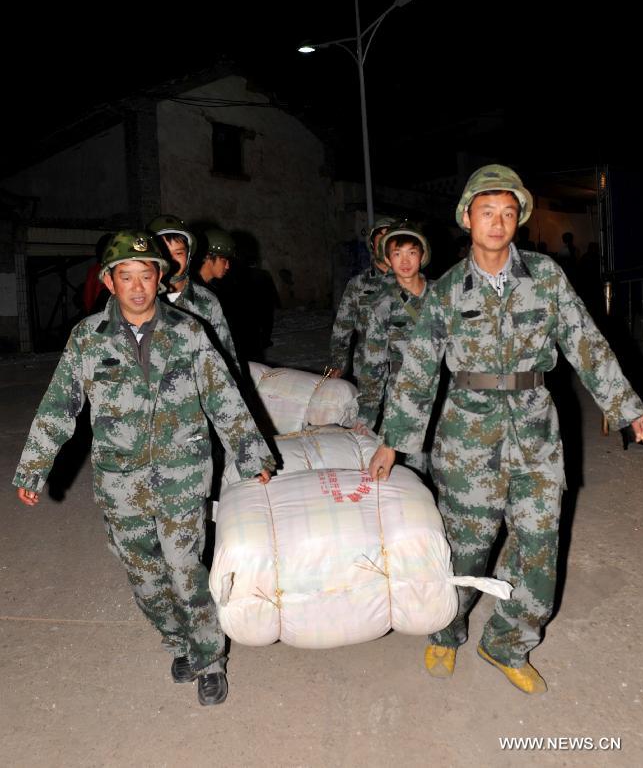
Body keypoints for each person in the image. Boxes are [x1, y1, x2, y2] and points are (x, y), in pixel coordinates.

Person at [369, 165, 643, 694]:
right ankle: (446, 629)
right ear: (467, 219)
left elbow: (584, 341)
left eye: (507, 212)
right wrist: (394, 440)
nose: (497, 223)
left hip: (536, 431)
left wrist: (627, 403)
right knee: (467, 547)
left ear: (518, 219)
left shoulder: (544, 276)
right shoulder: (449, 290)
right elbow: (419, 370)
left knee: (539, 544)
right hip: (467, 439)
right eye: (486, 212)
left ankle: (507, 641)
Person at [13, 230, 273, 706]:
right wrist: (33, 467)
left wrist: (250, 453)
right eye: (125, 276)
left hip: (182, 473)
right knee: (144, 575)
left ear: (160, 278)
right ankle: (176, 642)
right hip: (120, 480)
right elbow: (58, 406)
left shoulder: (189, 331)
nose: (136, 286)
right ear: (109, 281)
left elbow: (223, 396)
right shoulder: (87, 339)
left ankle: (208, 659)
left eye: (145, 275)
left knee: (184, 568)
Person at [357, 221, 435, 474]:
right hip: (403, 399)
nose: (404, 261)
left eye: (412, 252)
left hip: (445, 399)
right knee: (413, 470)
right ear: (388, 259)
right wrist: (367, 414)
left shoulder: (442, 295)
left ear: (422, 255)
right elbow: (374, 363)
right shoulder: (382, 303)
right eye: (397, 253)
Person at [147, 215, 239, 375]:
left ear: (189, 255)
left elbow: (226, 355)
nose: (171, 260)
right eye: (164, 253)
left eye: (178, 253)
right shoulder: (138, 298)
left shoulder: (207, 301)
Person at [329, 215, 396, 379]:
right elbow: (342, 327)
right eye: (381, 240)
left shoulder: (413, 282)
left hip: (405, 369)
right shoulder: (358, 284)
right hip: (368, 368)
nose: (385, 247)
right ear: (372, 245)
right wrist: (338, 363)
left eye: (390, 240)